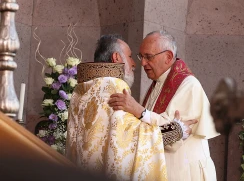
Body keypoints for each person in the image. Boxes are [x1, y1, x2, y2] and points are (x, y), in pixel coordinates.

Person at [66, 34, 196, 181]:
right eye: (130, 56)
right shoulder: (113, 87)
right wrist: (176, 130)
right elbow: (128, 141)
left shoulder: (83, 90)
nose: (135, 63)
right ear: (117, 58)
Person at [108, 30, 220, 181]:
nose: (143, 63)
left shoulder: (189, 85)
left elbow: (174, 136)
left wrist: (138, 110)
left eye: (148, 57)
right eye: (141, 57)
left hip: (184, 172)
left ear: (168, 57)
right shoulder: (156, 84)